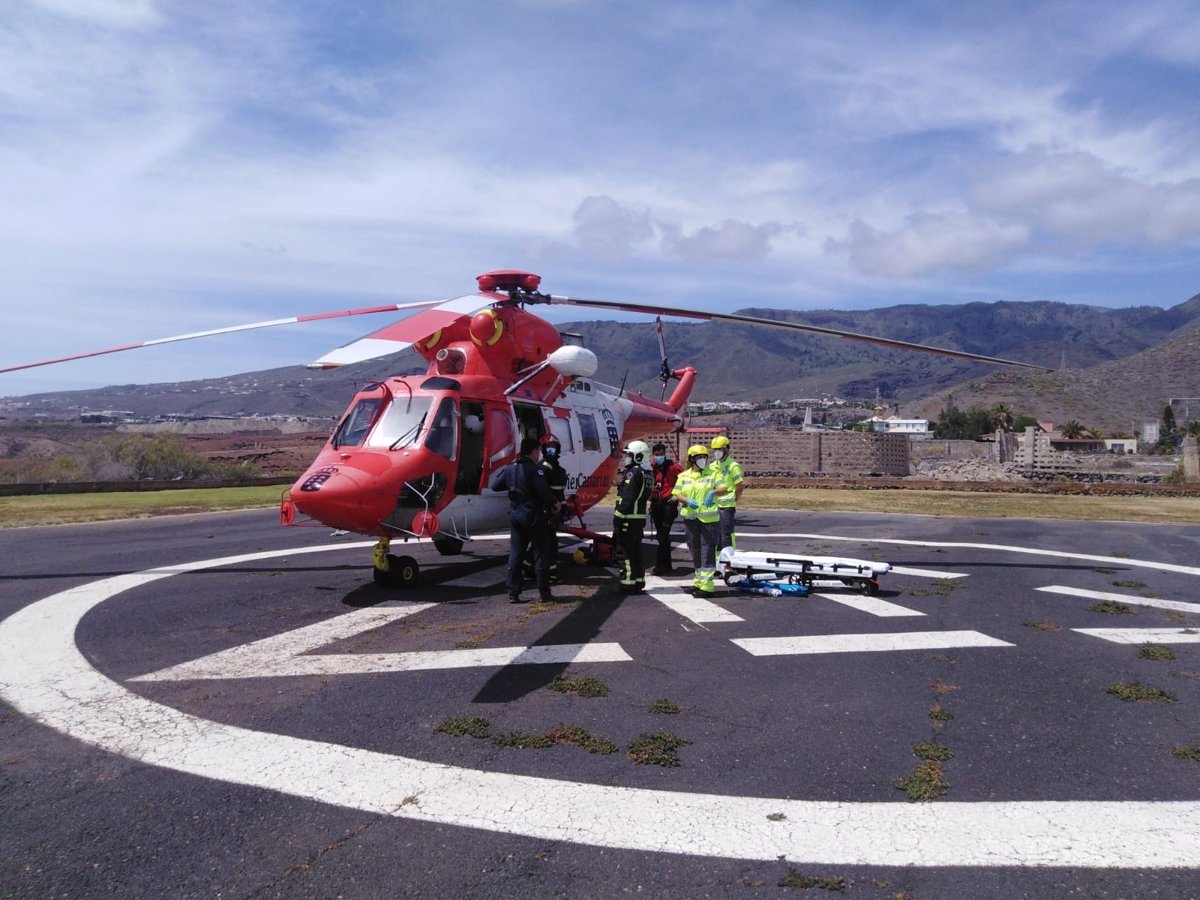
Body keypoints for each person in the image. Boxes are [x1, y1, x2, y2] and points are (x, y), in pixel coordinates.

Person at [490, 436, 561, 604]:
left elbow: (495, 485)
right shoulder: (535, 470)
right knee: (541, 554)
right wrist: (555, 503)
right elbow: (543, 491)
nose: (539, 454)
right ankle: (544, 593)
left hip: (516, 516)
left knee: (515, 554)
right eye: (538, 451)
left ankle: (513, 593)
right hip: (534, 516)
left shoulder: (510, 468)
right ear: (534, 451)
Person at [671, 444, 726, 594]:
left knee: (707, 549)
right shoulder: (683, 476)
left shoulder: (713, 474)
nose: (702, 460)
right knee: (694, 548)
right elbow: (676, 493)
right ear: (691, 459)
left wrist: (713, 492)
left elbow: (724, 489)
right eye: (699, 457)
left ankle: (707, 586)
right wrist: (686, 501)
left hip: (709, 520)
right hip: (690, 518)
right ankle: (698, 581)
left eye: (704, 457)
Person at [612, 440, 653, 594]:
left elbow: (627, 498)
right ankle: (638, 581)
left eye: (629, 455)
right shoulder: (647, 474)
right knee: (636, 552)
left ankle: (627, 583)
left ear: (638, 456)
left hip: (627, 518)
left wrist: (618, 516)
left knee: (625, 552)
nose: (627, 458)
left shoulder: (633, 473)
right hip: (638, 519)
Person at [648, 441, 684, 574]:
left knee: (663, 535)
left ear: (665, 454)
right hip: (656, 504)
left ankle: (660, 566)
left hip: (669, 503)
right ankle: (667, 565)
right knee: (661, 536)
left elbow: (685, 479)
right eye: (657, 454)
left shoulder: (673, 467)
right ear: (653, 455)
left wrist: (677, 495)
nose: (659, 456)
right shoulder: (651, 468)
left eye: (661, 454)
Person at [540, 437, 569, 584]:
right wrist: (560, 508)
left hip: (547, 512)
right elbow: (553, 494)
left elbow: (558, 493)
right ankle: (549, 575)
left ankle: (532, 570)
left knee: (545, 542)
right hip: (548, 513)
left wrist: (563, 507)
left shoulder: (545, 468)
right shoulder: (551, 470)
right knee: (549, 544)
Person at [708, 434, 744, 551]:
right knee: (715, 534)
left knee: (726, 534)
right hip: (714, 505)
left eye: (720, 449)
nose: (717, 452)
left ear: (727, 449)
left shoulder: (733, 466)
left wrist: (735, 499)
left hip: (727, 506)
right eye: (715, 450)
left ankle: (728, 561)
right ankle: (718, 559)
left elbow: (739, 486)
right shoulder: (712, 466)